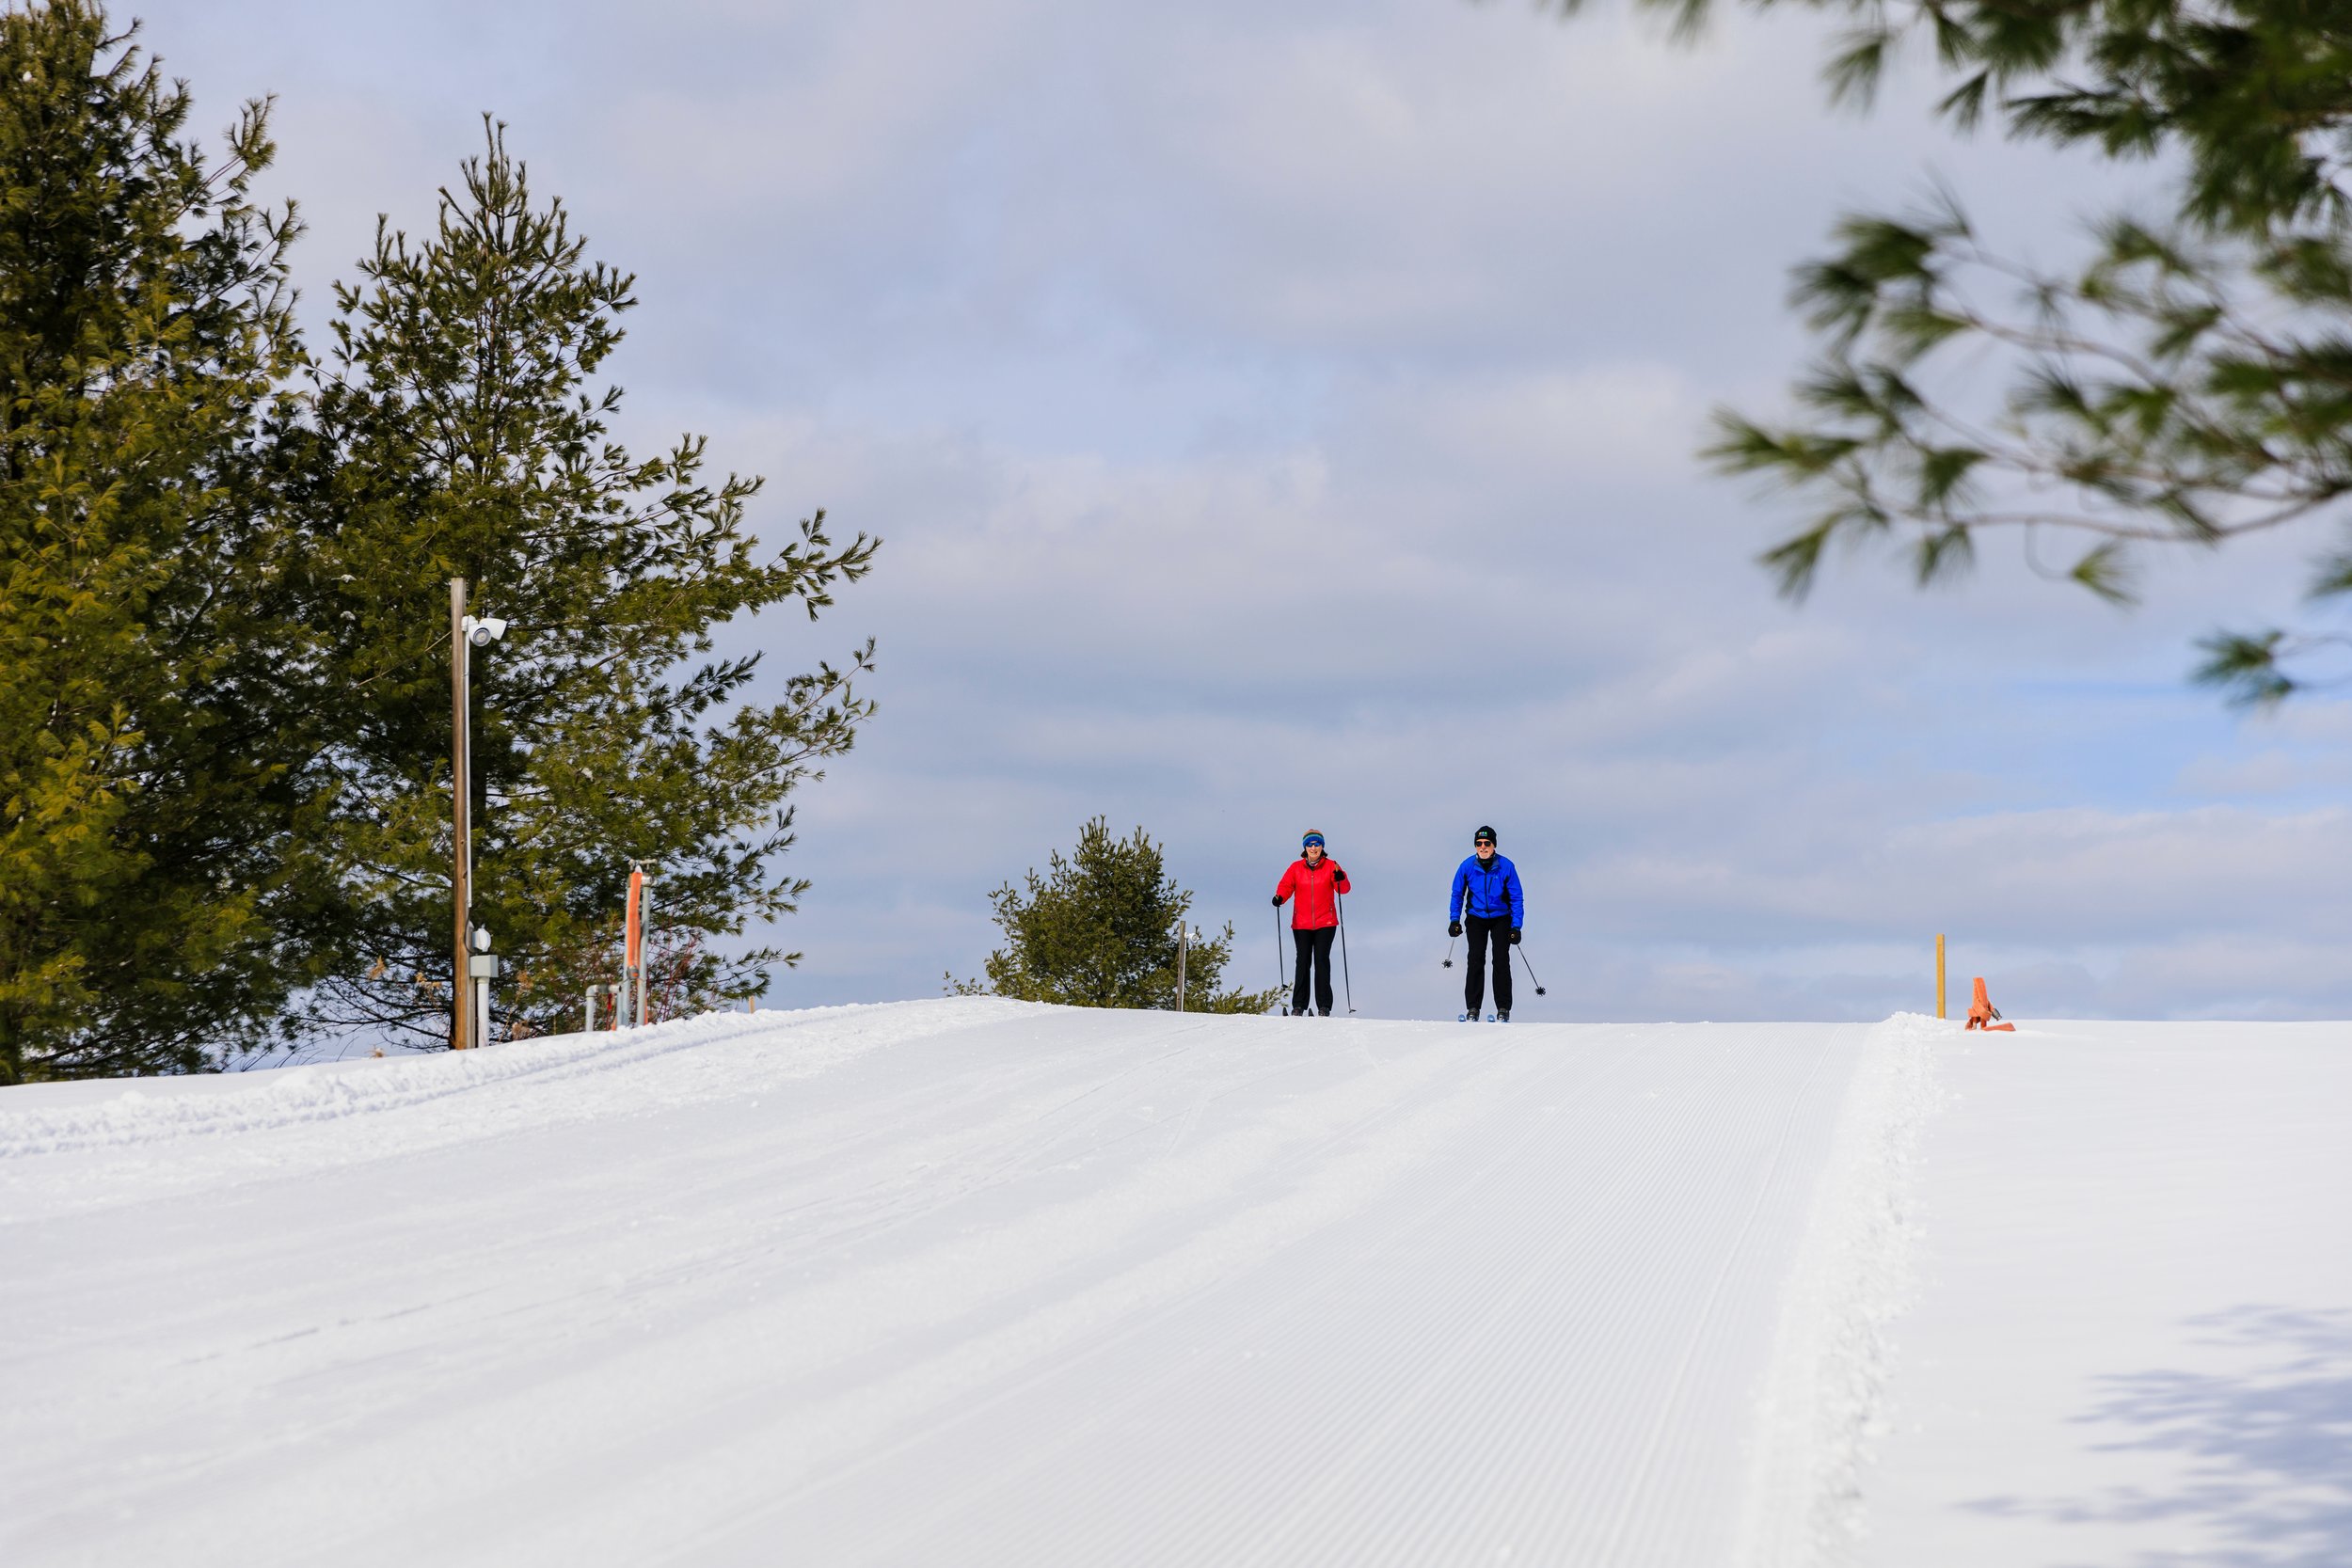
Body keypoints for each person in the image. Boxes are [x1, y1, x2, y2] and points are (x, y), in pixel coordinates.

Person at [1448, 825, 1523, 1021]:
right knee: (1475, 959)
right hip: (1476, 917)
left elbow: (1516, 897)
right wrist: (1454, 920)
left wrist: (1516, 927)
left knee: (1500, 959)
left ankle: (1503, 1008)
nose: (1483, 847)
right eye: (1479, 844)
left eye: (1487, 843)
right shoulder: (1467, 866)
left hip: (1501, 917)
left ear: (1494, 845)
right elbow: (1457, 894)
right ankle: (1473, 1008)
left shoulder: (1506, 866)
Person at [1273, 831, 1350, 1016]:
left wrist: (1341, 878)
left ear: (1322, 846)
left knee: (1321, 961)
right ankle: (1298, 1005)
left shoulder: (1332, 866)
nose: (1313, 848)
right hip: (1301, 924)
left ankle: (1324, 1006)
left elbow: (1344, 889)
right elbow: (1286, 886)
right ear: (1305, 848)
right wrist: (1280, 897)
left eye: (1317, 844)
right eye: (1310, 844)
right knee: (1302, 961)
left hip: (1326, 922)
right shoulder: (1295, 868)